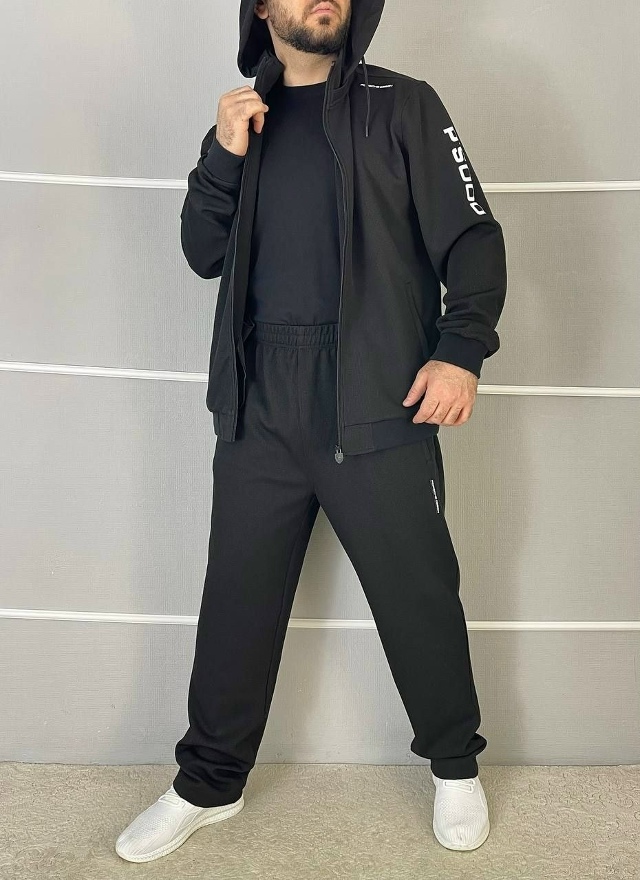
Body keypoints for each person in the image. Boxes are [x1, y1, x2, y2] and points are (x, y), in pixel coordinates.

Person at [115, 0, 506, 862]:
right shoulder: (242, 119)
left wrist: (461, 350)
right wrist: (222, 155)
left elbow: (474, 237)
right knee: (237, 601)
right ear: (261, 7)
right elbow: (201, 251)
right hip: (259, 402)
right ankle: (208, 784)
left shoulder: (403, 104)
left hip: (377, 392)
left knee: (416, 593)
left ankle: (454, 766)